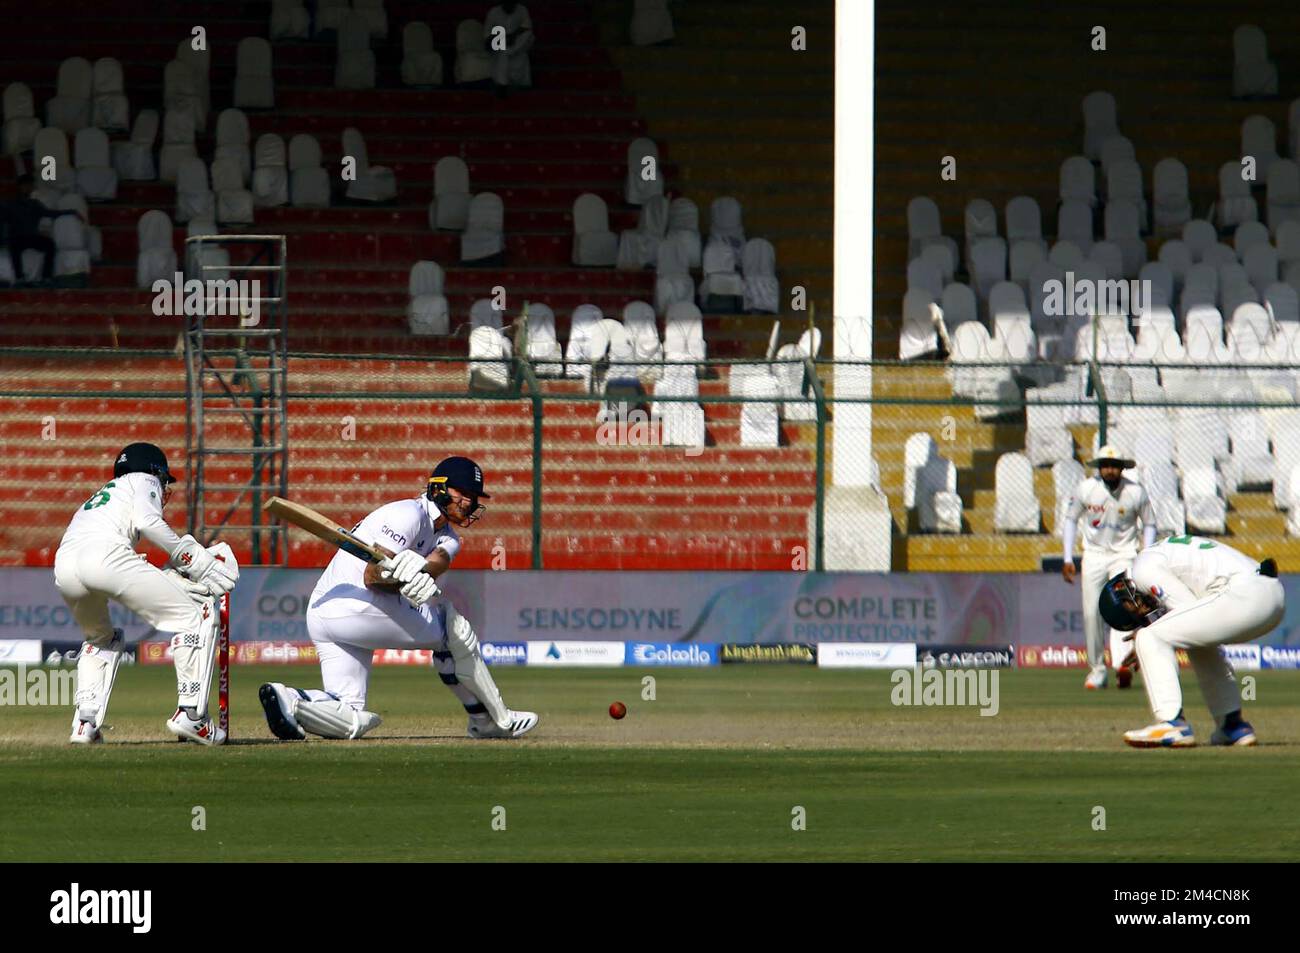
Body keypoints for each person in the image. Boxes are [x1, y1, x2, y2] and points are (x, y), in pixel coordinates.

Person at [258, 456, 538, 741]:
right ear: (439, 488)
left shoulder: (450, 538)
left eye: (474, 497)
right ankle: (487, 719)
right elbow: (373, 577)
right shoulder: (407, 514)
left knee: (348, 712)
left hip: (325, 616)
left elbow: (438, 561)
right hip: (356, 603)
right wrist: (399, 578)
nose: (469, 502)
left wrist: (421, 572)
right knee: (452, 630)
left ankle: (290, 699)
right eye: (463, 494)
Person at [53, 443, 240, 745]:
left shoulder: (102, 495)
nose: (164, 487)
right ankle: (192, 716)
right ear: (153, 471)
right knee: (195, 615)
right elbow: (147, 522)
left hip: (64, 567)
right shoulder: (144, 479)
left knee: (101, 638)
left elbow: (98, 544)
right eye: (163, 478)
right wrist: (191, 557)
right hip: (104, 558)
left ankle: (84, 725)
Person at [1099, 536, 1283, 748]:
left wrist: (1148, 636)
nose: (1143, 612)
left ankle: (1171, 723)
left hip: (1245, 594)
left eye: (1133, 610)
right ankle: (1232, 725)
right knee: (1197, 643)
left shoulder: (1142, 570)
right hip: (1270, 594)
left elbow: (1184, 605)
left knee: (1149, 636)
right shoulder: (1157, 554)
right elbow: (1192, 616)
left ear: (1122, 591)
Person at [1062, 445, 1155, 690]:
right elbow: (1071, 519)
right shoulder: (1086, 489)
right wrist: (1067, 558)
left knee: (1121, 609)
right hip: (1093, 555)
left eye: (1114, 466)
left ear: (1122, 468)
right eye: (1105, 466)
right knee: (1092, 613)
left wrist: (1146, 555)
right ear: (1099, 468)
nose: (1110, 470)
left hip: (1124, 555)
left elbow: (1149, 524)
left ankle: (1122, 665)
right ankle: (1097, 670)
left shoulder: (1135, 492)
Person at [1, 178, 84, 286]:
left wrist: (72, 212)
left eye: (29, 186)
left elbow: (51, 213)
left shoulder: (35, 204)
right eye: (24, 186)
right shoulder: (10, 204)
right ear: (19, 187)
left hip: (32, 236)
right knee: (14, 247)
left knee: (49, 245)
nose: (27, 188)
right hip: (17, 237)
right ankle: (19, 278)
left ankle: (46, 277)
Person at [483, 2, 534, 95]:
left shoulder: (522, 10)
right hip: (500, 45)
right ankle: (502, 85)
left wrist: (513, 36)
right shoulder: (493, 13)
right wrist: (503, 38)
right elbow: (487, 40)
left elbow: (527, 28)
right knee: (503, 53)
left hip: (517, 46)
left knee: (529, 35)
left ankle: (508, 52)